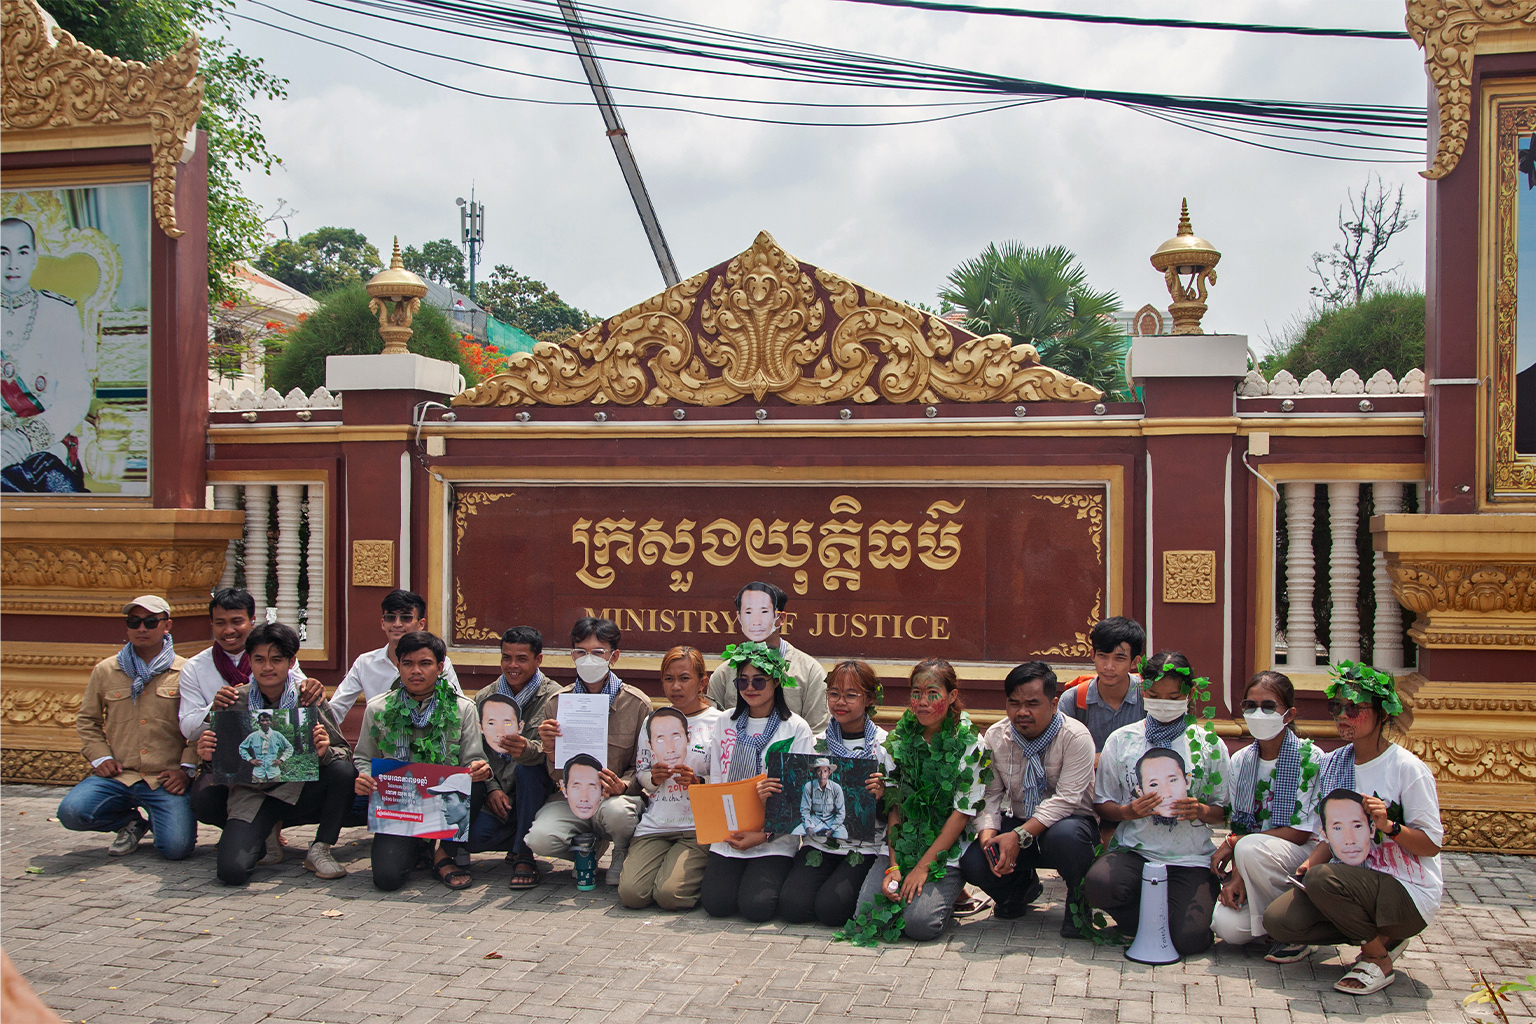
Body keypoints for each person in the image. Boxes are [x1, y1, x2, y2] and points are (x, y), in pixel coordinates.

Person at [1263, 661, 1442, 995]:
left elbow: (1431, 845)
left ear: (1383, 714)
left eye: (1354, 708)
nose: (1343, 716)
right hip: (1352, 880)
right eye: (1338, 708)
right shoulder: (1334, 764)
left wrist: (1389, 826)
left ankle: (1377, 955)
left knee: (1324, 880)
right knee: (1279, 921)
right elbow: (1329, 837)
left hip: (1406, 888)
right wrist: (1308, 865)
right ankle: (1381, 934)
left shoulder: (1406, 769)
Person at [1084, 651, 1231, 955]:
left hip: (1189, 859)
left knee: (1188, 940)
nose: (1163, 702)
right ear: (1143, 691)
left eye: (1173, 696)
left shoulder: (1209, 745)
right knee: (1100, 885)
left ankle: (1180, 917)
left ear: (1189, 694)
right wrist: (1127, 812)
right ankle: (1146, 923)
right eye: (1154, 695)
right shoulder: (1123, 740)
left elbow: (1224, 810)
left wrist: (1200, 810)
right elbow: (1103, 803)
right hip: (1137, 852)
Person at [192, 623, 356, 885]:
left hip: (297, 789)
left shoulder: (308, 699)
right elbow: (220, 764)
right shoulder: (233, 701)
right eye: (259, 659)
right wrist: (208, 756)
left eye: (276, 660)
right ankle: (265, 833)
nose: (267, 667)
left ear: (291, 662)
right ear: (249, 661)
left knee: (343, 772)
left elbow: (343, 753)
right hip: (251, 796)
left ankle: (320, 848)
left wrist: (324, 752)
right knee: (232, 872)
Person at [846, 659, 990, 944]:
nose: (922, 702)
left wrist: (923, 868)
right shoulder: (899, 739)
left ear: (952, 697)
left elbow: (962, 814)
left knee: (918, 925)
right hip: (903, 845)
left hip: (945, 851)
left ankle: (950, 896)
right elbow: (895, 805)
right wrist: (895, 867)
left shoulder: (973, 745)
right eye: (916, 693)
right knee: (869, 917)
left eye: (932, 693)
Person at [178, 588, 323, 863]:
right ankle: (247, 831)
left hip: (282, 769)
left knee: (333, 778)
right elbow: (188, 727)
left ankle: (264, 826)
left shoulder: (276, 655)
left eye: (237, 621)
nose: (228, 630)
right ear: (211, 625)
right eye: (220, 623)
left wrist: (312, 690)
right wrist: (214, 711)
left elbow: (300, 699)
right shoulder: (195, 668)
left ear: (252, 621)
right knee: (205, 799)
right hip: (234, 770)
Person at [962, 661, 1099, 937]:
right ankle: (1018, 889)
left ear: (1054, 703)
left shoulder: (1075, 737)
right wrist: (988, 837)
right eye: (1013, 703)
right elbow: (990, 795)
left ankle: (1078, 900)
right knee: (973, 858)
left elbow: (1066, 800)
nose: (1021, 712)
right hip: (1019, 820)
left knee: (1067, 837)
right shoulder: (997, 736)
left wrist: (1019, 835)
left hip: (1068, 825)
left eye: (1032, 704)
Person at [57, 595, 197, 859]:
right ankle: (129, 823)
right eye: (134, 622)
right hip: (120, 776)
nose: (141, 628)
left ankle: (163, 821)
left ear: (167, 626)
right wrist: (101, 756)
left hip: (164, 779)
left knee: (176, 848)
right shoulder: (106, 670)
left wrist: (185, 770)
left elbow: (198, 726)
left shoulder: (187, 671)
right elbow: (88, 720)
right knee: (72, 812)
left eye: (150, 621)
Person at [353, 631, 489, 891]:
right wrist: (363, 776)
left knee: (475, 785)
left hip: (442, 804)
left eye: (425, 664)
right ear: (398, 666)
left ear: (439, 668)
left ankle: (442, 854)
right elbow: (363, 757)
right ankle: (418, 846)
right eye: (408, 663)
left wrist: (479, 770)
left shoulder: (462, 709)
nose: (416, 671)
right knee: (387, 879)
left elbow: (474, 759)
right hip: (399, 807)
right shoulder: (378, 709)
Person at [700, 641, 817, 922]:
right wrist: (724, 831)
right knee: (716, 904)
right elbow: (717, 781)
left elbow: (801, 794)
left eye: (759, 680)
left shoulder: (795, 728)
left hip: (773, 836)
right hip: (729, 834)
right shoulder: (725, 722)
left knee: (757, 907)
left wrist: (764, 834)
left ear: (776, 681)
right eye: (743, 681)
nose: (750, 688)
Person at [529, 617, 652, 885]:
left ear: (614, 656)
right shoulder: (558, 703)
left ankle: (621, 851)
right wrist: (550, 750)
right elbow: (556, 773)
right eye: (580, 652)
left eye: (598, 652)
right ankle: (586, 849)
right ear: (572, 655)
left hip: (614, 800)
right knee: (539, 839)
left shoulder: (637, 704)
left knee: (620, 815)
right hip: (571, 801)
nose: (588, 659)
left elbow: (642, 765)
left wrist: (623, 785)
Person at [1210, 671, 1324, 959]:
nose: (1258, 713)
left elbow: (1300, 832)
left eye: (1269, 706)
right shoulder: (1241, 760)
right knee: (1227, 928)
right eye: (1250, 706)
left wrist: (1236, 844)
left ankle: (1294, 929)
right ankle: (1274, 921)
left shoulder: (1311, 758)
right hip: (1254, 855)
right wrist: (1237, 875)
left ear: (1290, 713)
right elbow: (1239, 823)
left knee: (1248, 846)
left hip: (1301, 853)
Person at [780, 660, 891, 929]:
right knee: (792, 906)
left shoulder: (885, 746)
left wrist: (881, 797)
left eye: (851, 695)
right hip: (820, 842)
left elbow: (894, 814)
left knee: (831, 910)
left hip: (863, 847)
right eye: (833, 694)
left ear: (869, 698)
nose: (840, 702)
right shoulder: (816, 744)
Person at [619, 646, 721, 911]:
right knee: (632, 895)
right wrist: (653, 777)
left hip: (697, 827)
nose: (676, 686)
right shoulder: (652, 721)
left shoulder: (720, 723)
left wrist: (700, 783)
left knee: (670, 897)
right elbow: (642, 772)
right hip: (657, 825)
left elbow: (727, 778)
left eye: (684, 678)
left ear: (703, 682)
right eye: (669, 679)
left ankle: (706, 876)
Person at [1, 216, 92, 493]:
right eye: (2, 252)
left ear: (34, 258)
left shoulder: (59, 313)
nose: (12, 264)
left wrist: (26, 440)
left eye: (22, 252)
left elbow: (75, 395)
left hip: (44, 448)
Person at [470, 626, 561, 889]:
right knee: (475, 839)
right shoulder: (484, 698)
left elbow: (556, 753)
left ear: (538, 660)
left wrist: (528, 749)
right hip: (499, 792)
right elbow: (476, 751)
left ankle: (525, 855)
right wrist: (490, 787)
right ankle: (521, 834)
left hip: (536, 788)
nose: (512, 666)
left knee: (527, 770)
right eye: (506, 658)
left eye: (521, 659)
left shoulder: (554, 697)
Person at [707, 582, 829, 735]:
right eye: (748, 612)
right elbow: (712, 729)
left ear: (781, 618)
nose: (755, 621)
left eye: (764, 612)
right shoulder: (724, 673)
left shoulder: (810, 672)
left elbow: (818, 733)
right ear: (739, 618)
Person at [328, 590, 461, 720]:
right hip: (380, 739)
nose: (397, 624)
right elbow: (335, 708)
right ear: (383, 623)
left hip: (428, 738)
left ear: (421, 624)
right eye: (390, 618)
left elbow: (457, 707)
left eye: (406, 618)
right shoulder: (365, 663)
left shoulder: (438, 662)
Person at [1059, 616, 1146, 752]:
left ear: (1135, 662)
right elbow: (1061, 752)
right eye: (1102, 656)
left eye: (1119, 658)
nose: (1109, 666)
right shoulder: (1073, 700)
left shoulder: (1148, 697)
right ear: (1092, 654)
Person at [799, 759, 847, 838]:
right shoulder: (809, 786)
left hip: (831, 821)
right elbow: (805, 810)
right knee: (796, 833)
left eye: (825, 771)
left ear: (829, 773)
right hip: (814, 820)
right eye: (819, 771)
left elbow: (841, 813)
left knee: (842, 836)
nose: (822, 775)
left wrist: (832, 829)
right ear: (815, 772)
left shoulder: (836, 788)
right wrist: (809, 828)